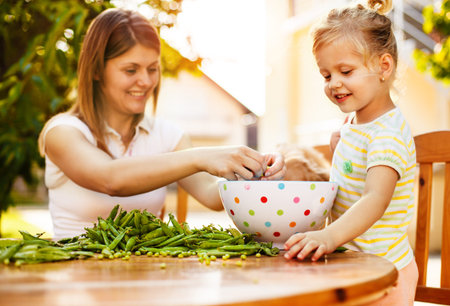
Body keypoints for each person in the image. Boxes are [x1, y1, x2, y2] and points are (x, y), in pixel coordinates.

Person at [38, 8, 285, 241]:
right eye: (131, 70)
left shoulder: (168, 135)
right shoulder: (63, 132)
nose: (145, 81)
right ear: (97, 70)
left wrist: (255, 172)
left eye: (152, 69)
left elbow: (211, 194)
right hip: (76, 280)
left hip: (147, 280)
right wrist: (199, 157)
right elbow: (110, 179)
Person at [283, 0, 418, 304]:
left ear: (384, 67)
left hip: (384, 273)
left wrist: (328, 237)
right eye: (326, 75)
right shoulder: (356, 124)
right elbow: (352, 182)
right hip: (355, 263)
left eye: (345, 71)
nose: (334, 84)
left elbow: (375, 198)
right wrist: (339, 150)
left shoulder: (387, 133)